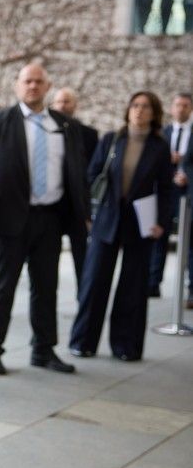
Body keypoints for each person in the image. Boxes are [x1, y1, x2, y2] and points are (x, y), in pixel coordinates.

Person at [0, 64, 90, 375]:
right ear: (18, 85)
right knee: (2, 288)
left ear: (48, 86)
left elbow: (77, 172)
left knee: (46, 288)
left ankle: (43, 350)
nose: (33, 86)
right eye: (28, 81)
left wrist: (82, 215)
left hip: (50, 218)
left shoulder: (64, 125)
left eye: (39, 82)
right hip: (9, 219)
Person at [69, 92, 171, 362]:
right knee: (94, 282)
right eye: (135, 105)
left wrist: (161, 222)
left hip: (141, 222)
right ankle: (83, 342)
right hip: (106, 218)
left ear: (154, 113)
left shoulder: (159, 147)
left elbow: (166, 189)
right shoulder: (111, 140)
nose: (139, 110)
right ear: (128, 110)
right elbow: (92, 175)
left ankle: (126, 346)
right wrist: (89, 213)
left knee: (133, 286)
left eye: (145, 106)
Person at [51, 87, 100, 287]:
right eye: (59, 101)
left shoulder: (89, 134)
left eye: (67, 101)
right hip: (51, 207)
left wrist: (88, 209)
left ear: (75, 105)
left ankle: (85, 296)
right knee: (47, 262)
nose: (62, 105)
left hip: (77, 206)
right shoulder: (45, 130)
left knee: (82, 257)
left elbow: (93, 173)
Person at [148, 92, 193, 300]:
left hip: (189, 191)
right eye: (178, 105)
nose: (181, 108)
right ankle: (153, 283)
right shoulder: (162, 133)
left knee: (190, 240)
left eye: (185, 105)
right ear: (172, 108)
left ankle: (191, 289)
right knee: (159, 237)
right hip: (166, 192)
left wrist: (187, 176)